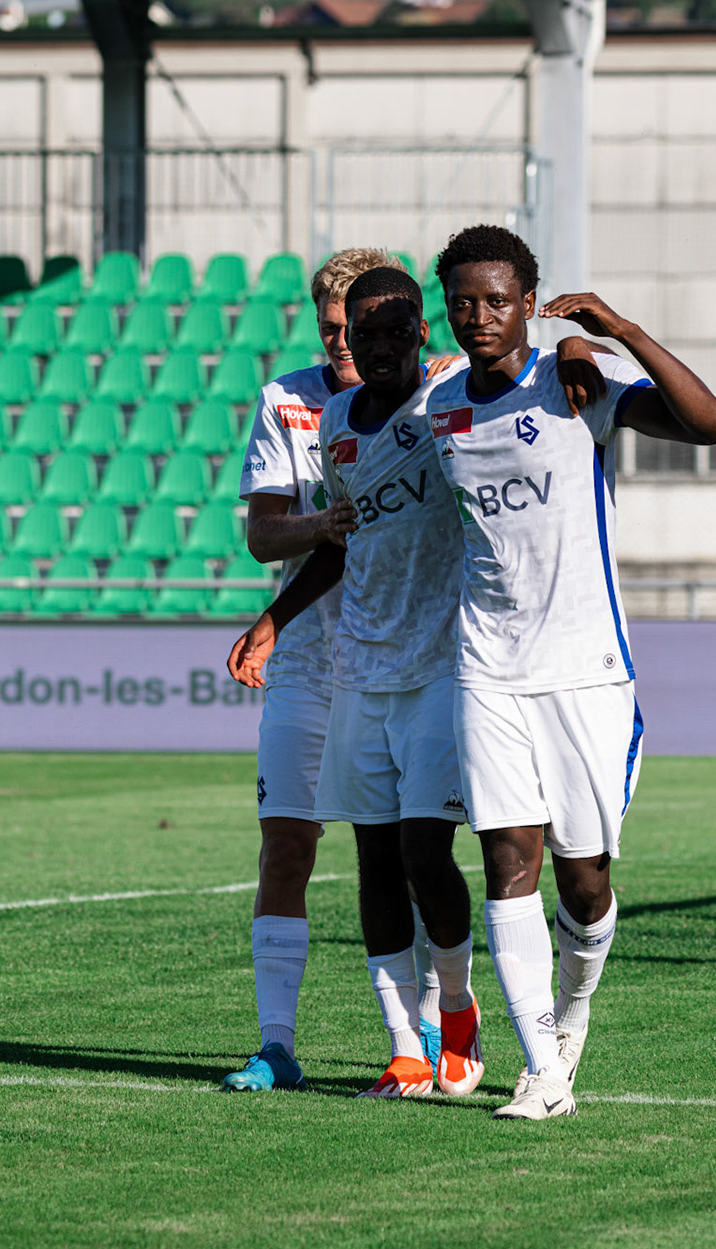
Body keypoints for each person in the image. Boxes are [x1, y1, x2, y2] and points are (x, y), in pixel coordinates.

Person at [426, 224, 716, 1120]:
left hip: (586, 670)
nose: (479, 316)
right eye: (462, 302)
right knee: (505, 860)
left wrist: (617, 331)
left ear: (529, 301)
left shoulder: (576, 383)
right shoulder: (438, 403)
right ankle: (542, 1071)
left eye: (496, 300)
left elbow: (711, 426)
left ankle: (573, 1011)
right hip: (486, 665)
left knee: (583, 879)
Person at [232, 267, 481, 1099]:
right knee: (290, 844)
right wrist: (308, 553)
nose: (346, 342)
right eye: (334, 328)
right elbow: (267, 536)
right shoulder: (294, 402)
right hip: (315, 659)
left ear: (404, 327)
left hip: (418, 655)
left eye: (363, 327)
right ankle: (280, 1045)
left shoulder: (442, 390)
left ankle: (435, 1024)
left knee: (416, 854)